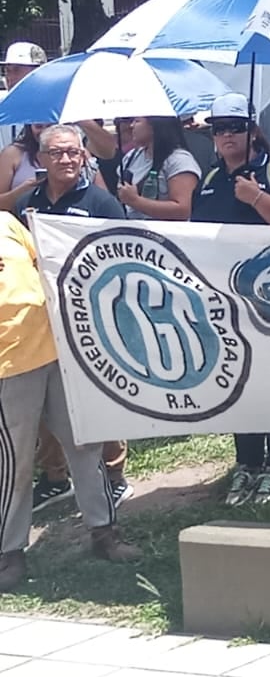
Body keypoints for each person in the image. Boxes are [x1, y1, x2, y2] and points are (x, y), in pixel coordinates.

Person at [0, 211, 140, 593]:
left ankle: (104, 532)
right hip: (7, 367)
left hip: (55, 354)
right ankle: (10, 552)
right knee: (15, 463)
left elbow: (41, 263)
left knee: (86, 443)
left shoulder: (8, 224)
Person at [191, 94, 270, 505]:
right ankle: (247, 462)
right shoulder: (208, 182)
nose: (225, 135)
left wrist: (258, 199)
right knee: (238, 380)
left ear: (252, 130)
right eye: (218, 128)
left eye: (234, 126)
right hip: (226, 302)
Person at [18, 125, 131, 513]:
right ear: (41, 159)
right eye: (56, 153)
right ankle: (55, 476)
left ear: (84, 157)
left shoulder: (102, 202)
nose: (65, 160)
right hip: (45, 320)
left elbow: (123, 255)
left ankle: (114, 475)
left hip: (92, 314)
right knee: (52, 402)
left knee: (99, 394)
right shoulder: (28, 204)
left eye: (73, 153)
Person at [95, 115, 201, 220]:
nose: (132, 126)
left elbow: (182, 210)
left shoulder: (179, 160)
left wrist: (135, 201)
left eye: (137, 121)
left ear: (155, 126)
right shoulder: (131, 157)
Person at [0, 41, 47, 150]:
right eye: (7, 70)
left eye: (16, 70)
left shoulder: (57, 106)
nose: (9, 77)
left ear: (37, 71)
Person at [0, 123, 51, 213]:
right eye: (38, 126)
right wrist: (22, 191)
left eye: (50, 126)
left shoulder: (70, 158)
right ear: (29, 127)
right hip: (19, 223)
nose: (44, 131)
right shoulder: (13, 154)